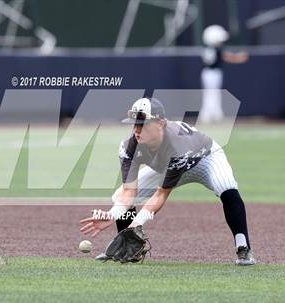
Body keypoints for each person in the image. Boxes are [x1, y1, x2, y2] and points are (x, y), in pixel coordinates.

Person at [80, 97, 256, 265]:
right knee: (118, 196)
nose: (137, 129)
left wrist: (137, 223)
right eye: (135, 124)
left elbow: (161, 195)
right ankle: (127, 248)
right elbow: (128, 192)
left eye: (144, 124)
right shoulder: (129, 147)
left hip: (205, 159)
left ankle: (243, 246)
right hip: (167, 166)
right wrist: (112, 215)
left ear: (161, 124)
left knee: (226, 187)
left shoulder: (177, 145)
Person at [200, 25, 248, 123]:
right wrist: (239, 58)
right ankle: (209, 115)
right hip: (212, 73)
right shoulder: (214, 49)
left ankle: (212, 114)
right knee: (212, 93)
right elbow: (227, 56)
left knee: (212, 93)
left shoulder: (208, 49)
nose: (221, 42)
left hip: (210, 73)